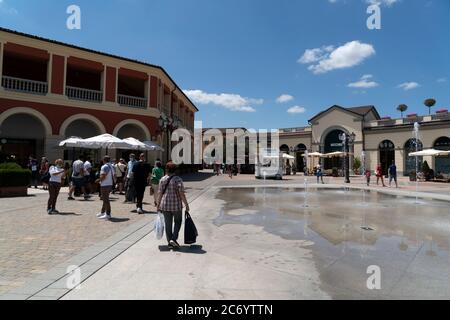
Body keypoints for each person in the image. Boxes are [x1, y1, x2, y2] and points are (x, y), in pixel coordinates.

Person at [157, 162, 190, 249]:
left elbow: (160, 193)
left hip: (165, 205)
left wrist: (158, 204)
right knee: (178, 222)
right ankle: (174, 239)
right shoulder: (178, 179)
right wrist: (186, 204)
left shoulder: (162, 179)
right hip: (176, 205)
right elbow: (181, 193)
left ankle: (170, 242)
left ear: (166, 169)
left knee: (168, 224)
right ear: (175, 170)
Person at [97, 156, 115, 220]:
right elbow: (114, 175)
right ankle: (103, 212)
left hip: (105, 184)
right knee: (105, 199)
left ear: (103, 160)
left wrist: (98, 180)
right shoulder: (111, 166)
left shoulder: (104, 166)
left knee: (105, 199)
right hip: (110, 184)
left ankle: (108, 214)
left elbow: (103, 176)